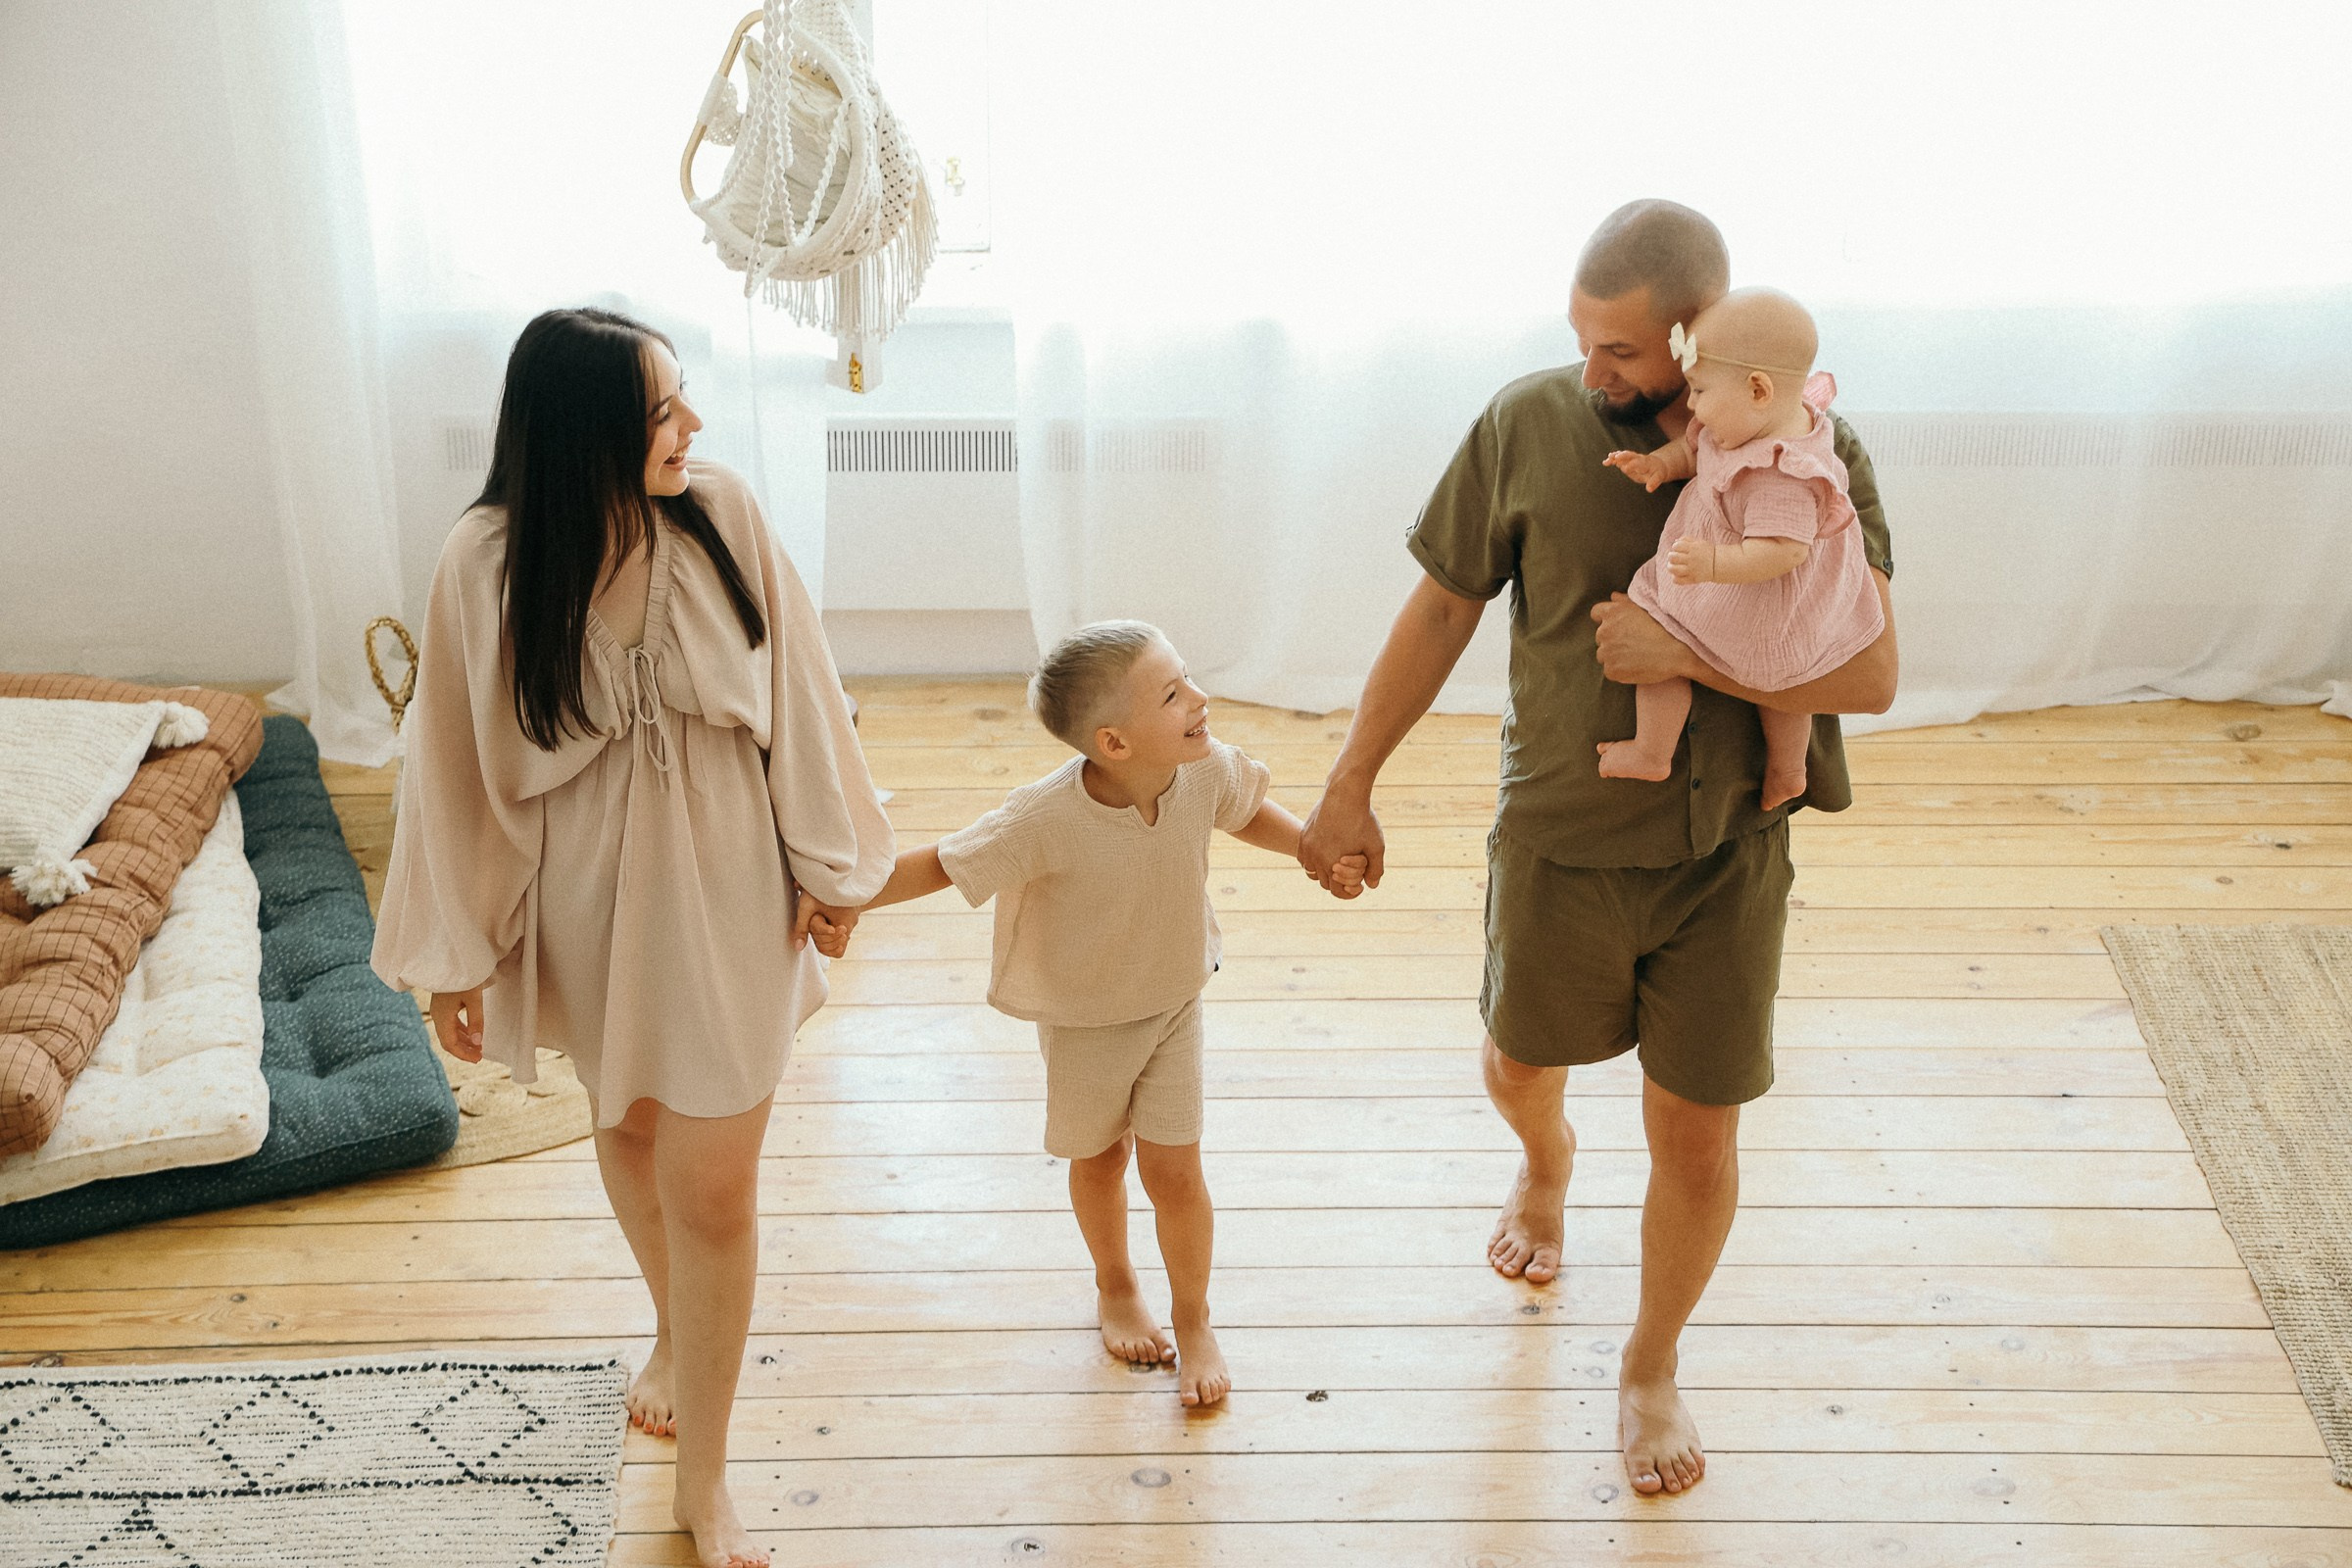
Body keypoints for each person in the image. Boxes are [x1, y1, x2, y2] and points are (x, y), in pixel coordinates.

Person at [1296, 200, 1898, 1497]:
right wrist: (1348, 783)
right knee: (1519, 1064)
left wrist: (1686, 654)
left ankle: (1649, 1365)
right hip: (1562, 839)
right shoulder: (1526, 426)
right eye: (1582, 342)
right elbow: (1441, 609)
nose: (1593, 374)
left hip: (1728, 854)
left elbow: (1878, 672)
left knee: (1698, 1137)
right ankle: (1545, 1161)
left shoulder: (1812, 447)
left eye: (1620, 353)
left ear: (1695, 342)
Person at [370, 307, 893, 1568]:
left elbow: (804, 698)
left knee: (712, 1184)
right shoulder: (484, 563)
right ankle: (677, 1324)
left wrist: (833, 868)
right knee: (629, 1125)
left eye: (683, 401)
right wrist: (458, 953)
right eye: (662, 409)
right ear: (583, 433)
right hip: (586, 900)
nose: (692, 426)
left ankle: (701, 1481)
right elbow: (446, 770)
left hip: (722, 882)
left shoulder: (719, 516)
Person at [810, 621, 1366, 1407]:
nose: (1201, 699)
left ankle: (1194, 1318)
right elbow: (945, 862)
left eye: (1188, 678)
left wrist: (1313, 850)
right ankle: (1114, 1284)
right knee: (1101, 1160)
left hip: (1175, 1002)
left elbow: (1247, 813)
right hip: (1087, 1023)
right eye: (1173, 693)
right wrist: (845, 899)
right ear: (1113, 742)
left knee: (1176, 1172)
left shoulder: (1201, 770)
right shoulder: (1045, 817)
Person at [1598, 286, 1886, 809]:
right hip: (1752, 591)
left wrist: (1712, 562)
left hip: (1756, 596)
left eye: (1701, 391)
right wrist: (1659, 465)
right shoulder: (1745, 423)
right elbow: (1696, 452)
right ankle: (1789, 769)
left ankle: (1652, 750)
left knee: (1679, 639)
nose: (1691, 405)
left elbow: (1783, 551)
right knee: (1786, 676)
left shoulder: (1783, 474)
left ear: (1758, 389)